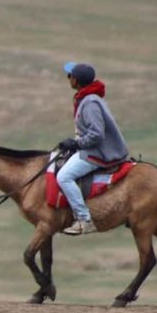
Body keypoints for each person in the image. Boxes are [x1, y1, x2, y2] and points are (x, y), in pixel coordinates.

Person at [56, 62, 129, 235]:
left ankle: (84, 219)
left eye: (70, 76)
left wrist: (77, 144)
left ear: (76, 81)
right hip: (93, 148)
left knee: (64, 177)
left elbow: (96, 134)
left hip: (99, 153)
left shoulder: (89, 103)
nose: (68, 79)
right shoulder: (88, 98)